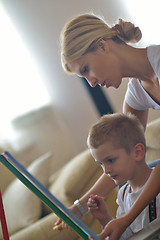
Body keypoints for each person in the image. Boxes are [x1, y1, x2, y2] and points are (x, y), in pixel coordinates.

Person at [55, 13, 160, 238]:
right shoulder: (137, 93)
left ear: (102, 47)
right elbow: (121, 155)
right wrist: (79, 208)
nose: (91, 82)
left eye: (85, 69)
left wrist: (124, 220)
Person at [86, 113, 160, 239]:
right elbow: (125, 236)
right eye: (101, 164)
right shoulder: (123, 194)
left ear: (137, 152)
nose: (106, 171)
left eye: (110, 160)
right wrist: (105, 218)